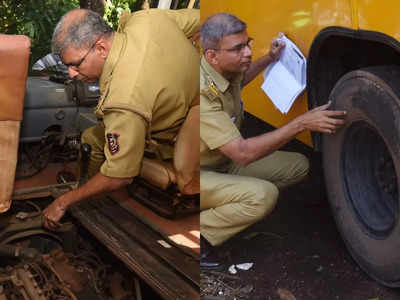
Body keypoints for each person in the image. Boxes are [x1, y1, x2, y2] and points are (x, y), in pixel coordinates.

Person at [199, 13, 346, 269]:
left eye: (248, 44)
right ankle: (202, 239)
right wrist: (301, 123)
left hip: (220, 162)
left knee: (297, 165)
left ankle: (229, 211)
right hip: (196, 175)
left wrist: (270, 57)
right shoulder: (200, 92)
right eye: (238, 49)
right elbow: (242, 153)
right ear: (212, 55)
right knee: (263, 196)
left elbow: (239, 82)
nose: (247, 53)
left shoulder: (222, 69)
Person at [43, 8, 200, 228]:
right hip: (205, 97)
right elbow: (204, 19)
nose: (71, 74)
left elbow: (120, 176)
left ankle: (86, 198)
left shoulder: (123, 100)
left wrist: (63, 202)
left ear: (101, 48)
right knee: (91, 137)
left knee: (111, 162)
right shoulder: (147, 19)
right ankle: (88, 190)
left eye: (75, 64)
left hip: (185, 131)